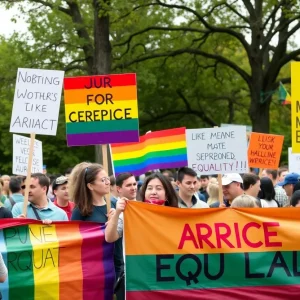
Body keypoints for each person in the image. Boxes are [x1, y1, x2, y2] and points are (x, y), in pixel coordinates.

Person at [70, 163, 123, 290]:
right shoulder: (81, 210)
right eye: (102, 180)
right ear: (90, 186)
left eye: (107, 179)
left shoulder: (114, 204)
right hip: (95, 268)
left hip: (117, 262)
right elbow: (74, 241)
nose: (107, 182)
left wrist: (115, 218)